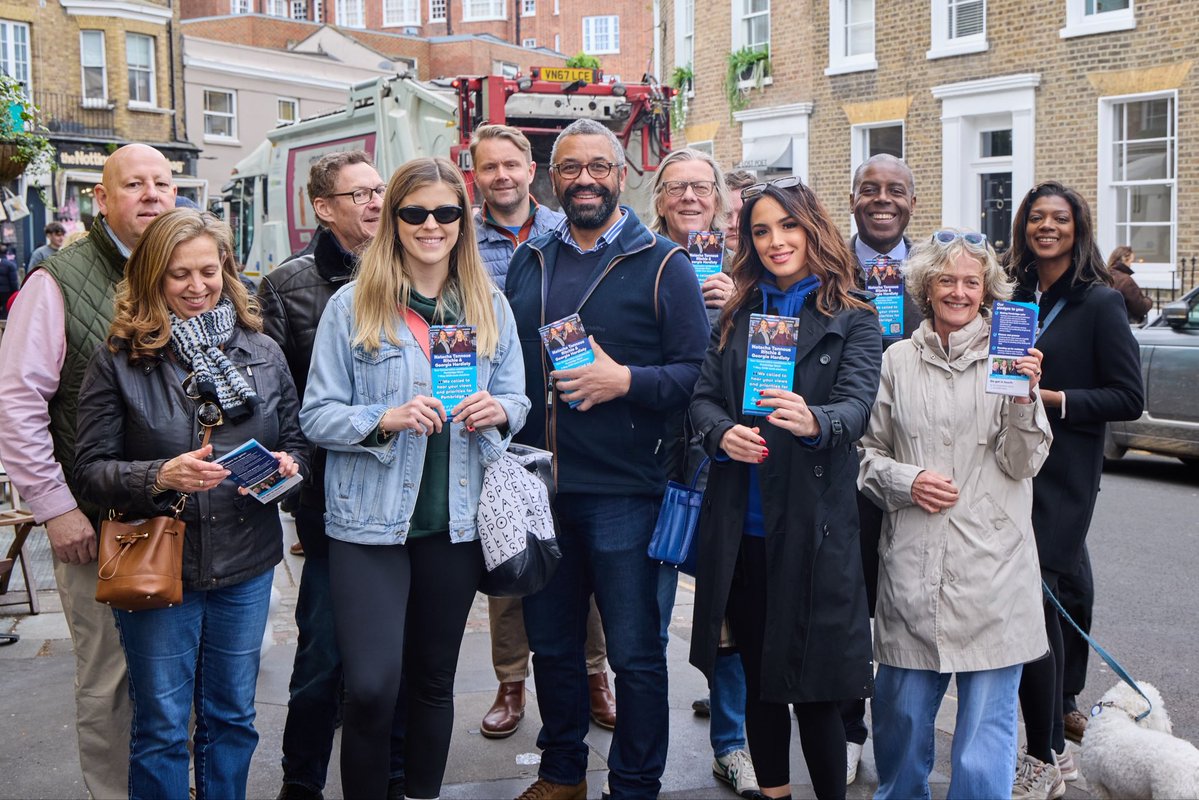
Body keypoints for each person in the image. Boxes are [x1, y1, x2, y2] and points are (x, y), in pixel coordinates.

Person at [301, 157, 529, 800]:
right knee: (371, 686)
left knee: (433, 683)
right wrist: (386, 417)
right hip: (368, 522)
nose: (432, 225)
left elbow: (518, 398)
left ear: (464, 219)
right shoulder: (353, 305)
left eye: (446, 212)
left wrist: (500, 410)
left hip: (454, 523)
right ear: (393, 221)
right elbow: (315, 413)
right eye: (415, 213)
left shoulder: (490, 305)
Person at [72, 208, 307, 799]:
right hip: (157, 563)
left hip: (245, 562)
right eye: (180, 274)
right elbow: (89, 472)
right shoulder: (120, 359)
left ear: (227, 270)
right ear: (153, 277)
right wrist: (161, 474)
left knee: (232, 718)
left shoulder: (261, 350)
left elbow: (296, 437)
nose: (197, 287)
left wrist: (288, 468)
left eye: (209, 270)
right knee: (162, 728)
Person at [505, 118, 709, 800]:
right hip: (541, 489)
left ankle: (633, 784)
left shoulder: (663, 264)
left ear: (623, 177)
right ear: (551, 178)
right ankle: (562, 771)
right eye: (570, 168)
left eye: (598, 167)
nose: (584, 179)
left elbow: (695, 376)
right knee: (554, 647)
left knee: (635, 655)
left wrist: (624, 381)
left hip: (627, 491)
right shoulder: (530, 260)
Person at [689, 175, 880, 800]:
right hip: (742, 528)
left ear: (812, 228)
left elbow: (857, 408)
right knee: (760, 679)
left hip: (814, 528)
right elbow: (703, 401)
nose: (776, 241)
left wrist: (815, 420)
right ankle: (773, 793)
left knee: (816, 688)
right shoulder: (737, 313)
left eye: (788, 226)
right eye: (762, 230)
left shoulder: (854, 316)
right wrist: (723, 436)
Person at [0, 143, 176, 799]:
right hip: (103, 523)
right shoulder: (56, 281)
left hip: (184, 516)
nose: (153, 195)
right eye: (135, 184)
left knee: (178, 674)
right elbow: (16, 404)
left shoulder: (188, 268)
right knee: (111, 680)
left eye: (163, 182)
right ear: (101, 200)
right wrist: (55, 507)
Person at [858, 229, 1052, 800]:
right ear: (925, 287)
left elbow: (1022, 464)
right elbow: (867, 456)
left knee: (983, 738)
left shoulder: (1009, 357)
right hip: (913, 566)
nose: (959, 292)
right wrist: (906, 480)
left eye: (972, 281)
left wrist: (1024, 398)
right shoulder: (896, 359)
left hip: (994, 569)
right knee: (900, 720)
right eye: (947, 280)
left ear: (987, 292)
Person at [257, 150, 411, 800]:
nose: (375, 203)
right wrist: (297, 492)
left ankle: (392, 777)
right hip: (329, 504)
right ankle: (302, 780)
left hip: (405, 499)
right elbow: (279, 403)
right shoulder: (287, 286)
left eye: (379, 190)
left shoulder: (414, 273)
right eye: (359, 195)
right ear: (323, 208)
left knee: (394, 657)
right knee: (322, 651)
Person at [468, 123, 617, 738]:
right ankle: (510, 680)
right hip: (495, 425)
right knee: (508, 555)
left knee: (576, 558)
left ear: (534, 171)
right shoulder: (458, 241)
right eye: (489, 167)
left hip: (570, 416)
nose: (502, 176)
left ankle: (593, 674)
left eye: (512, 164)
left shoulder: (568, 230)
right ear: (474, 174)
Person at [1005, 181, 1144, 800]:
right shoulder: (1012, 292)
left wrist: (1054, 399)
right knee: (1042, 597)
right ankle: (1051, 729)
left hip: (1063, 475)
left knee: (1040, 601)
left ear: (1077, 227)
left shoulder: (1099, 302)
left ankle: (1047, 753)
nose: (1047, 227)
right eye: (1036, 218)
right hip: (1008, 465)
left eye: (1059, 218)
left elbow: (1128, 399)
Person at [647, 146, 758, 798]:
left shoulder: (747, 271)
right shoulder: (638, 260)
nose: (690, 197)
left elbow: (768, 368)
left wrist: (732, 308)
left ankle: (732, 744)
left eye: (701, 187)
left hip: (721, 468)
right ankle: (645, 755)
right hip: (658, 470)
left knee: (728, 614)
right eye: (676, 187)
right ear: (659, 197)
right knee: (649, 618)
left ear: (717, 200)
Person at [842, 153, 922, 784]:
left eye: (895, 190)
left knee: (908, 604)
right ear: (853, 199)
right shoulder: (830, 267)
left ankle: (902, 731)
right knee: (850, 598)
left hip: (920, 464)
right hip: (844, 460)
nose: (882, 199)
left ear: (911, 203)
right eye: (870, 189)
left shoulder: (937, 273)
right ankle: (848, 728)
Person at [1106, 245, 1153, 324]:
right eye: (1131, 261)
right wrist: (1149, 300)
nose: (1131, 265)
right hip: (1124, 324)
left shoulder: (1104, 275)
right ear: (1124, 259)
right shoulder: (1126, 281)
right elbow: (1140, 308)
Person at [0, 246, 18, 317]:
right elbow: (13, 281)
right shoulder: (10, 265)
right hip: (6, 292)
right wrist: (15, 291)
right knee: (5, 310)